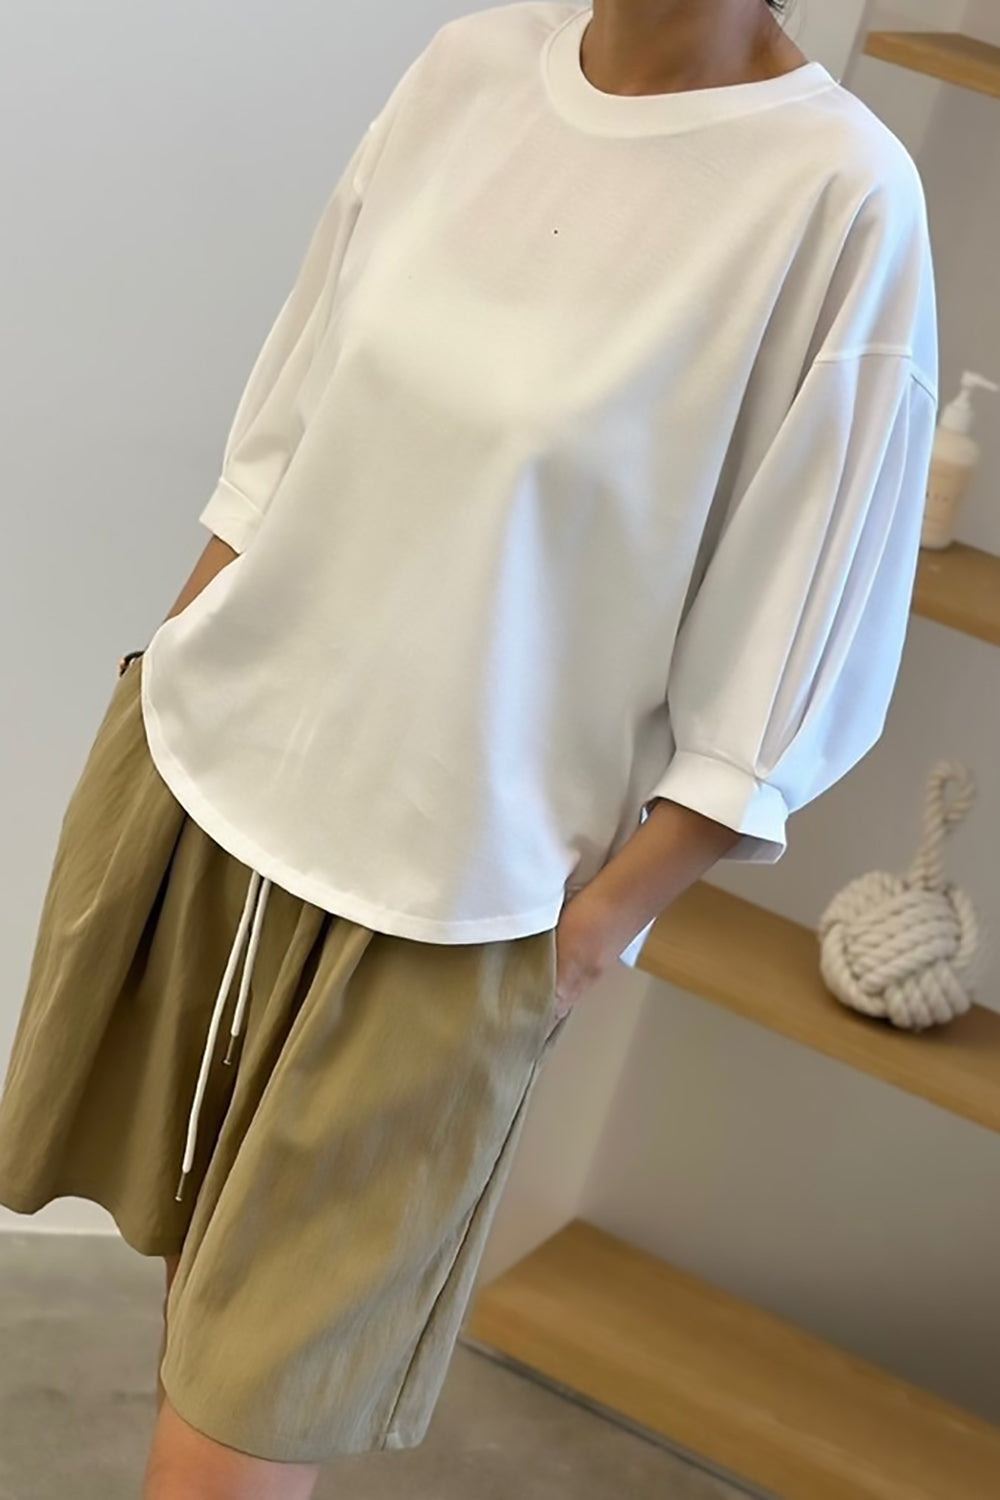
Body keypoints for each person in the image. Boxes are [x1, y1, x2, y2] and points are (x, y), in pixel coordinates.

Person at [0, 0, 938, 1495]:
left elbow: (800, 645)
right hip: (215, 787)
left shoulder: (837, 196)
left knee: (238, 1427)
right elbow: (282, 439)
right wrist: (155, 682)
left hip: (458, 911)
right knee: (194, 1335)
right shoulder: (471, 68)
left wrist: (590, 936)